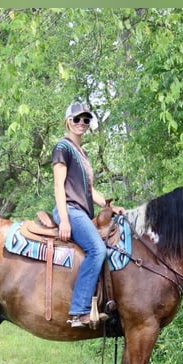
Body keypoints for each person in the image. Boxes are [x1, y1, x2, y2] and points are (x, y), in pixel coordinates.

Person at [51, 102, 124, 328]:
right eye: (77, 119)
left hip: (81, 211)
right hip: (71, 210)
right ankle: (79, 311)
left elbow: (89, 191)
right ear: (67, 122)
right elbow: (58, 185)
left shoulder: (82, 153)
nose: (81, 124)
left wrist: (109, 206)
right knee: (97, 249)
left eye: (86, 120)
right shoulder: (62, 148)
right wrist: (64, 219)